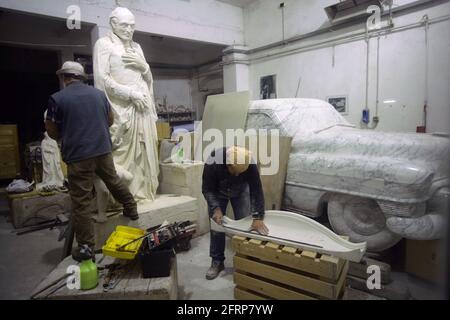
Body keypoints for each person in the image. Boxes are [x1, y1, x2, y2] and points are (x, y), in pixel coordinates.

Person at [45, 61, 138, 262]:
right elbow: (111, 120)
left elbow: (51, 130)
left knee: (82, 201)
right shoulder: (99, 94)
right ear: (81, 77)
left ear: (64, 77)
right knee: (113, 179)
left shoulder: (57, 98)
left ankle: (87, 247)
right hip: (102, 150)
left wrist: (69, 132)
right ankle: (131, 207)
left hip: (78, 155)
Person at [93, 7, 159, 201]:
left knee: (145, 151)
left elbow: (147, 77)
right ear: (113, 24)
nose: (129, 30)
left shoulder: (137, 47)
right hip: (122, 110)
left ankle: (144, 192)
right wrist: (130, 93)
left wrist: (144, 67)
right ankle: (123, 197)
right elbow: (102, 79)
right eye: (124, 25)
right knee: (120, 153)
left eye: (132, 26)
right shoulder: (103, 44)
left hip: (143, 109)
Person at [202, 146, 269, 280]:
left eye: (241, 172)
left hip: (240, 191)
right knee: (217, 226)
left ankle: (245, 260)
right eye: (235, 171)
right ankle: (217, 261)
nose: (238, 175)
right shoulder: (213, 161)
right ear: (228, 164)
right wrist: (215, 208)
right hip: (218, 192)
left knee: (245, 225)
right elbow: (207, 189)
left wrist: (257, 216)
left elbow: (256, 189)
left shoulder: (249, 162)